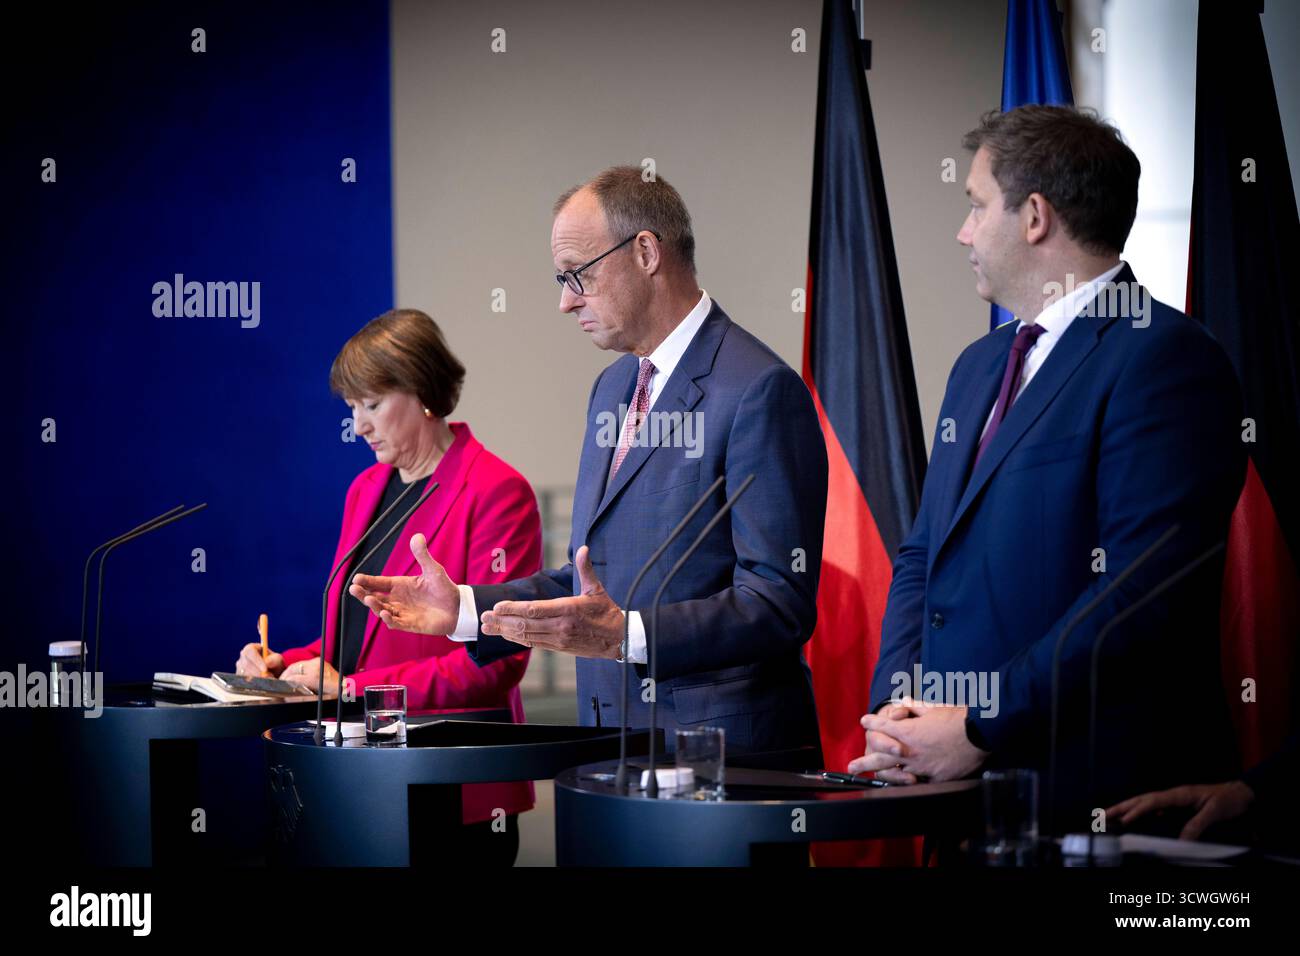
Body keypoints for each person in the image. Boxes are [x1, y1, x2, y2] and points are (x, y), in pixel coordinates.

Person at [850, 106, 1246, 830]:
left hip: (1088, 798)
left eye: (976, 206)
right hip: (958, 797)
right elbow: (923, 555)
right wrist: (898, 713)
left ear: (1034, 216)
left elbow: (1138, 594)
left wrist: (979, 726)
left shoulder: (1166, 358)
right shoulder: (977, 367)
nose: (964, 232)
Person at [349, 167, 828, 754]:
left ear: (646, 252)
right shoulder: (612, 388)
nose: (565, 301)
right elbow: (590, 577)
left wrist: (627, 635)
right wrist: (467, 609)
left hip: (723, 759)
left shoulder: (758, 389)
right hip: (608, 747)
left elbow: (778, 601)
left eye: (578, 274)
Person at [235, 309, 541, 862]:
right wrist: (284, 665)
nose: (359, 426)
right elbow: (354, 639)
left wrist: (353, 690)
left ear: (422, 391)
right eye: (352, 407)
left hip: (450, 780)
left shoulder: (497, 490)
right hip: (361, 776)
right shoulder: (365, 488)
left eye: (372, 404)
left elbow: (496, 663)